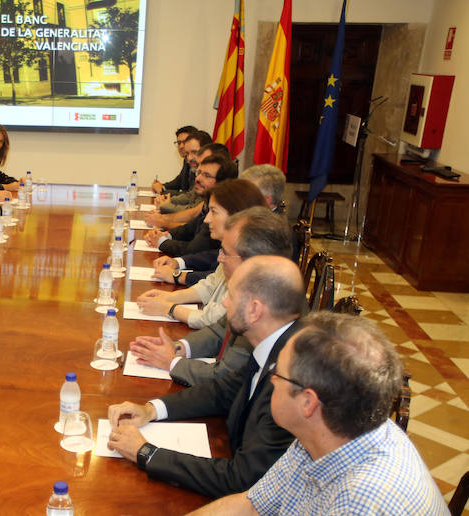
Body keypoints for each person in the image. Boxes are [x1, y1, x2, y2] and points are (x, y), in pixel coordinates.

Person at [189, 312, 449, 515]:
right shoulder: (322, 434)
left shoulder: (360, 502)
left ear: (308, 402)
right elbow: (252, 505)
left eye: (277, 373)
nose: (271, 380)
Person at [107, 256, 304, 498]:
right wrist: (151, 409)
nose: (224, 301)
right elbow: (222, 391)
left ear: (254, 310)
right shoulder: (274, 342)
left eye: (231, 295)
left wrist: (146, 452)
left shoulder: (290, 377)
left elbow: (242, 479)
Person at [133, 208, 297, 386]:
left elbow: (224, 379)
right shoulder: (253, 286)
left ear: (250, 260)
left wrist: (171, 362)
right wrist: (177, 348)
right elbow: (219, 331)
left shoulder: (266, 306)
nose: (218, 259)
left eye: (225, 253)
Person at [138, 206, 292, 330]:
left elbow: (212, 319)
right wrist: (167, 297)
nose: (206, 218)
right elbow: (210, 284)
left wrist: (169, 308)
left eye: (214, 211)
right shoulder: (234, 254)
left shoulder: (259, 294)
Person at [151, 178, 266, 287]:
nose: (207, 219)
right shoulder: (233, 246)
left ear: (236, 215)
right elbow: (212, 257)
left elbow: (213, 281)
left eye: (214, 212)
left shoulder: (251, 257)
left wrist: (177, 276)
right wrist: (178, 262)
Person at [146, 155, 238, 258]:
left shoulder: (222, 210)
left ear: (223, 182)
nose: (198, 179)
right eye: (199, 173)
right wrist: (165, 235)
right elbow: (188, 229)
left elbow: (192, 249)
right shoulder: (207, 204)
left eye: (206, 175)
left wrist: (161, 241)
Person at [151, 125, 197, 194]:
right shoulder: (186, 160)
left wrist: (163, 190)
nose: (181, 146)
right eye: (179, 143)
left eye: (184, 142)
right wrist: (162, 186)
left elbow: (190, 195)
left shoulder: (199, 163)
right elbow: (179, 181)